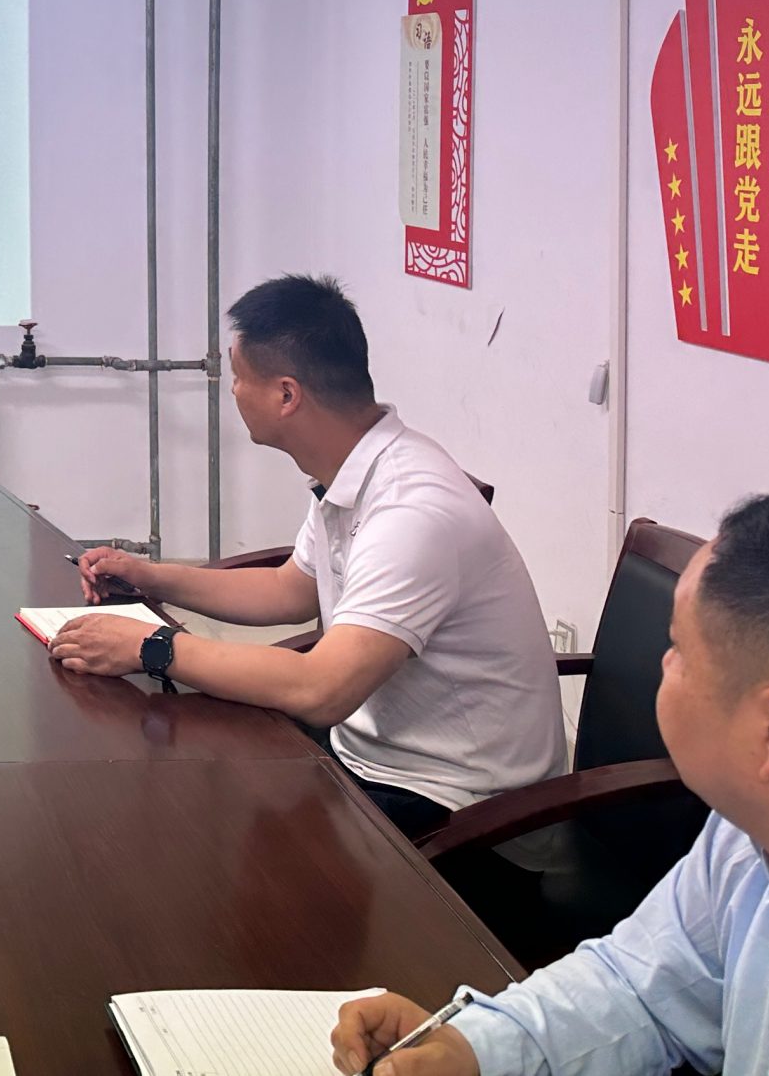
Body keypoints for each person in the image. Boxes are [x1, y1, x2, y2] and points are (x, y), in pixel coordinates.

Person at [334, 492, 769, 1075]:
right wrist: (473, 1050)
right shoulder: (767, 824)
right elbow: (640, 988)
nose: (663, 667)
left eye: (679, 650)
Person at [57, 274, 565, 836]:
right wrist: (150, 577)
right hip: (376, 758)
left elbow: (320, 689)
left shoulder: (411, 511)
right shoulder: (356, 467)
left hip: (461, 808)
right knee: (191, 792)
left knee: (192, 824)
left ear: (286, 395)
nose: (232, 392)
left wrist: (151, 646)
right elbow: (289, 590)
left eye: (238, 377)